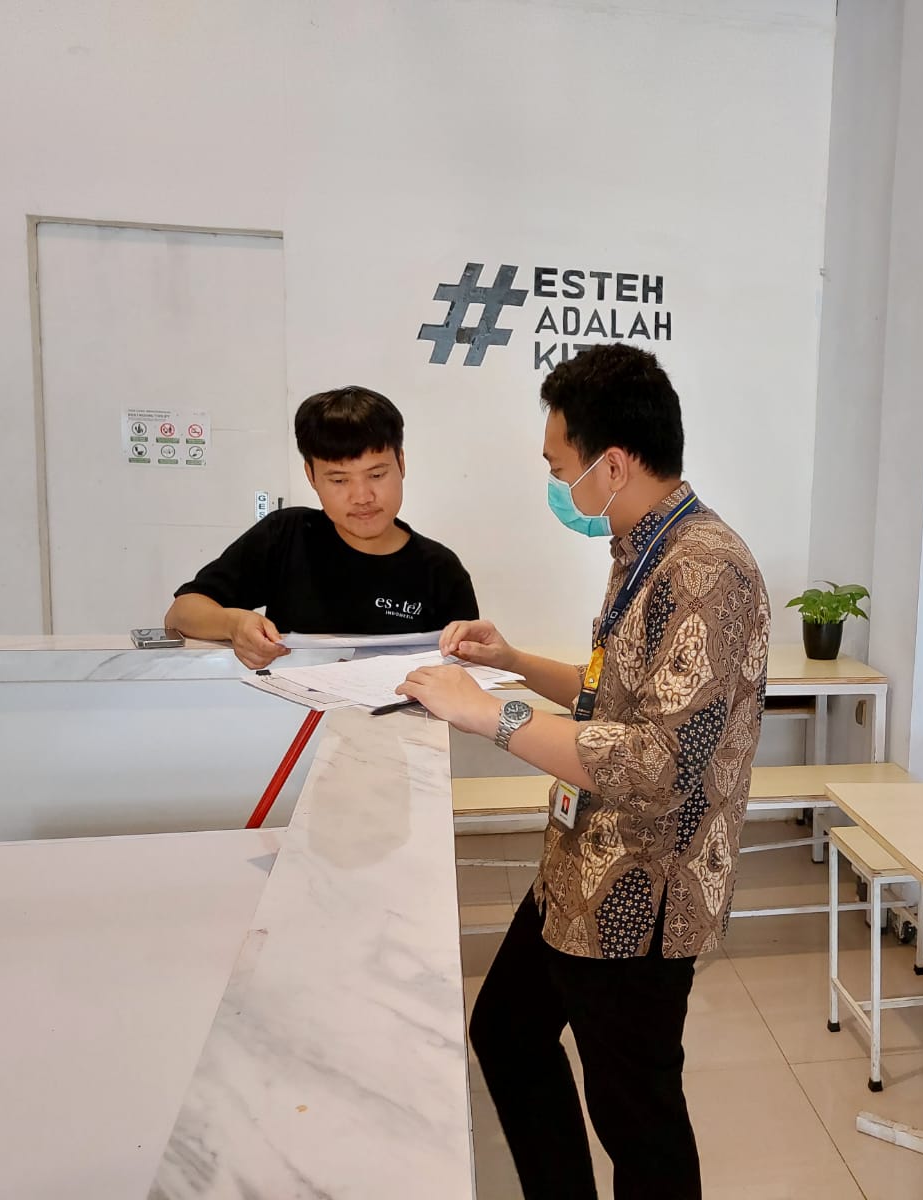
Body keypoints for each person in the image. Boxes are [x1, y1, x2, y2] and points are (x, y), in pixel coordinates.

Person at [396, 344, 770, 1200]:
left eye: (559, 467)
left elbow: (659, 761)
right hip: (579, 867)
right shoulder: (644, 548)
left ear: (614, 464)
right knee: (507, 1032)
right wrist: (514, 663)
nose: (557, 485)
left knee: (638, 1120)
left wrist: (490, 714)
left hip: (640, 896)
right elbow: (616, 698)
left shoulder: (706, 570)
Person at [165, 386, 479, 669]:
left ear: (401, 463)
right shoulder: (286, 536)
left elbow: (467, 672)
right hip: (295, 711)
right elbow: (181, 612)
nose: (362, 496)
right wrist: (233, 624)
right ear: (311, 476)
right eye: (339, 480)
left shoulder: (440, 570)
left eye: (376, 475)